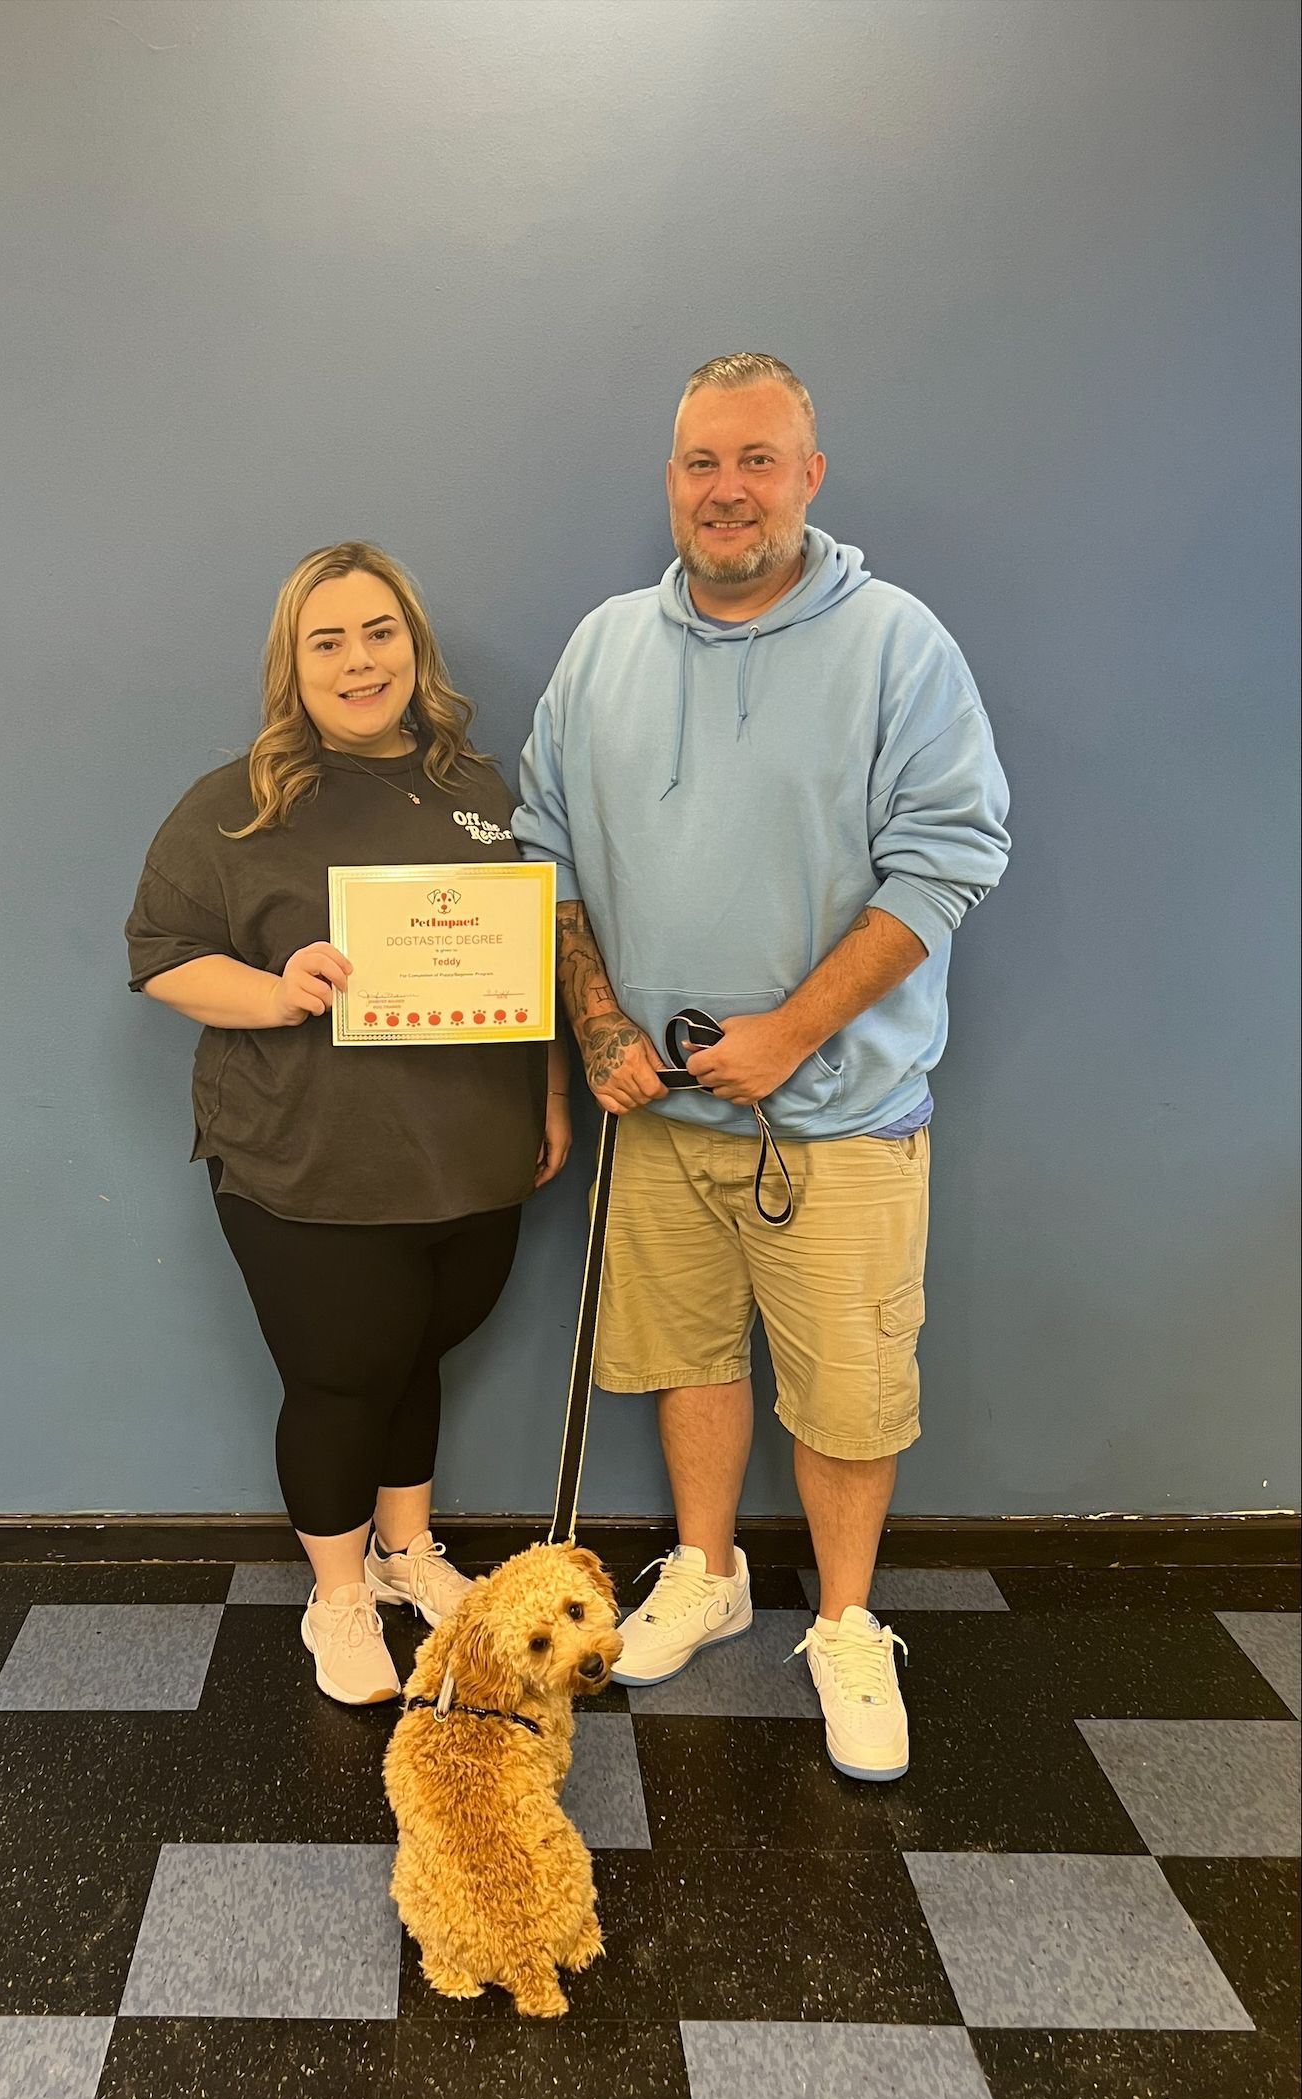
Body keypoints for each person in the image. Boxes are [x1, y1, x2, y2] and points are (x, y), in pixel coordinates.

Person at [514, 354, 1010, 1782]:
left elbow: (952, 855)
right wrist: (598, 1025)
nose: (726, 490)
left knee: (849, 1392)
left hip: (838, 1117)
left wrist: (790, 1033)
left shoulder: (897, 643)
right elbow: (544, 845)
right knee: (685, 1356)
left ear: (809, 475)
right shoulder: (603, 647)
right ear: (670, 479)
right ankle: (709, 1569)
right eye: (701, 462)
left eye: (757, 460)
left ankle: (846, 1624)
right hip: (658, 1115)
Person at [128, 541, 573, 1705]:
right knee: (340, 1377)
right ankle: (337, 1594)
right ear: (293, 664)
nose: (358, 660)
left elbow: (533, 961)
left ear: (413, 646)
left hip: (471, 1149)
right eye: (326, 641)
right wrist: (277, 991)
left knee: (416, 1351)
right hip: (306, 1157)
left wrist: (549, 1095)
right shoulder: (235, 804)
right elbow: (160, 955)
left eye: (379, 632)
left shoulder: (486, 792)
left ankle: (404, 1549)